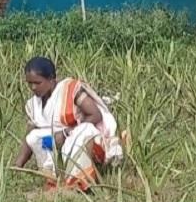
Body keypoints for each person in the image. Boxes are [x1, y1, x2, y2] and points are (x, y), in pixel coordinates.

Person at [14, 57, 125, 191]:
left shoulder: (70, 90)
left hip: (85, 141)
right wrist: (17, 166)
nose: (33, 87)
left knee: (84, 131)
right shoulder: (33, 104)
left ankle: (78, 182)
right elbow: (29, 137)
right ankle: (53, 178)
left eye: (38, 83)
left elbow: (95, 115)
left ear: (51, 79)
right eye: (30, 83)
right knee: (34, 137)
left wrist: (67, 133)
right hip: (56, 144)